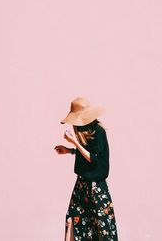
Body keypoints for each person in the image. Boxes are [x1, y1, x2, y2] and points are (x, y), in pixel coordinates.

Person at [55, 96, 119, 241]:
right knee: (72, 221)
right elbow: (86, 153)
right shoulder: (84, 131)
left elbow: (95, 159)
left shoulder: (99, 131)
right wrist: (69, 150)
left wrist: (75, 143)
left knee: (101, 230)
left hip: (96, 188)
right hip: (81, 185)